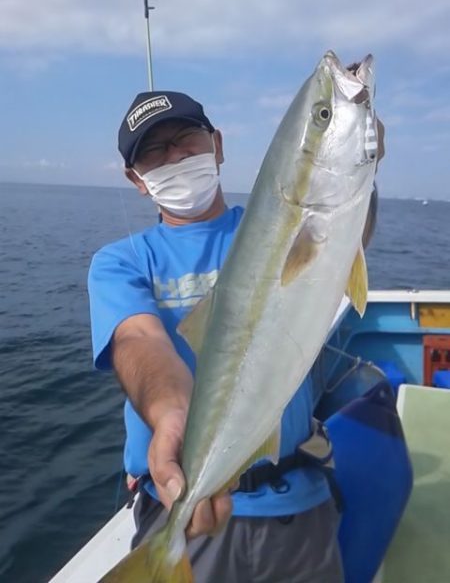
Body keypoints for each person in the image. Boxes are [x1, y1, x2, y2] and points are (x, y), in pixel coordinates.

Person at [88, 90, 383, 582]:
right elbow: (139, 341)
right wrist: (169, 415)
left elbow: (343, 237)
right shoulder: (122, 262)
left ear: (217, 145)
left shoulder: (275, 224)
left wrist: (359, 164)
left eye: (186, 139)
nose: (175, 157)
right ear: (135, 179)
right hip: (181, 507)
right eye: (153, 152)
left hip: (296, 504)